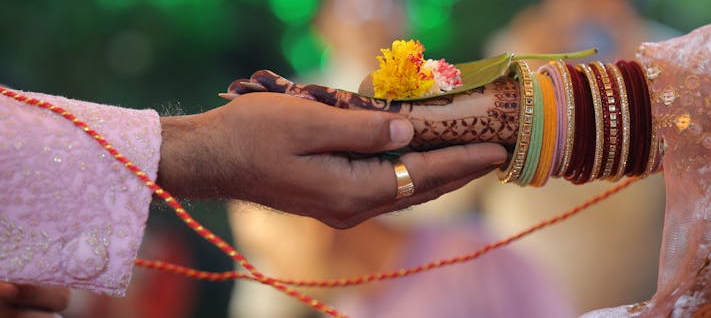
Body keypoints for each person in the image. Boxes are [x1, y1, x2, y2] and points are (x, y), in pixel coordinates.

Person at [229, 12, 711, 317]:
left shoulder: (472, 257)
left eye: (262, 242)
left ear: (316, 213)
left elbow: (703, 112)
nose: (264, 263)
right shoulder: (352, 302)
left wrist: (409, 117)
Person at [227, 0, 573, 318]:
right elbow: (272, 245)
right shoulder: (291, 110)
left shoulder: (454, 96)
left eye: (380, 4)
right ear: (322, 24)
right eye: (351, 6)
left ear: (407, 15)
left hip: (451, 283)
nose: (367, 20)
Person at [0, 85, 508, 316]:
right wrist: (210, 151)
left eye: (273, 225)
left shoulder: (471, 261)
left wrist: (209, 150)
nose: (270, 268)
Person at [480, 0, 678, 312]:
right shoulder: (513, 52)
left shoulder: (671, 57)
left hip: (634, 297)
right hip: (521, 295)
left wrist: (641, 76)